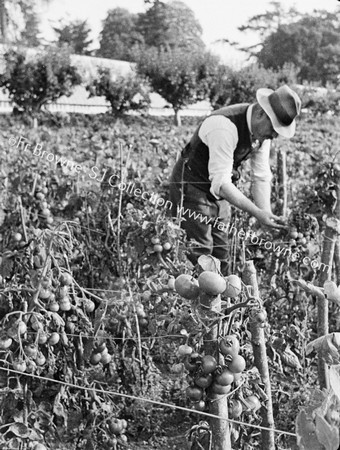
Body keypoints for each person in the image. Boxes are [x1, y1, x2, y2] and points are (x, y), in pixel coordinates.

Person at [169, 84, 302, 274]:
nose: (274, 136)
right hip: (192, 185)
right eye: (274, 128)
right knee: (200, 252)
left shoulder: (261, 135)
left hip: (218, 189)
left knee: (221, 251)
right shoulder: (224, 126)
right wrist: (256, 212)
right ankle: (196, 299)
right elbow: (222, 183)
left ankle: (220, 300)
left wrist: (265, 213)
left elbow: (261, 175)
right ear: (260, 114)